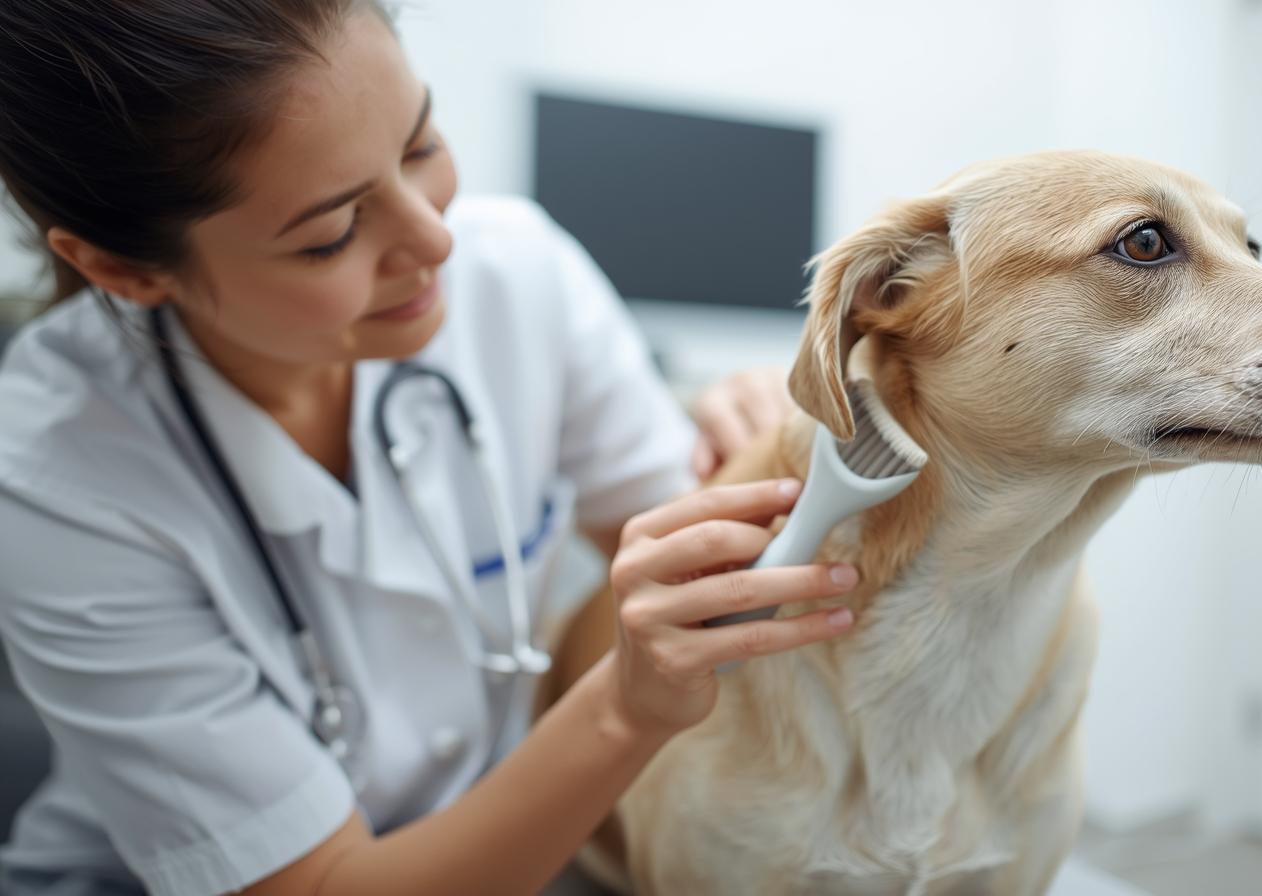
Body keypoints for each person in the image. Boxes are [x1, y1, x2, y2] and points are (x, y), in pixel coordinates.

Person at [0, 2, 861, 893]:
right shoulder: (53, 471)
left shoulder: (519, 274)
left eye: (419, 147)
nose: (435, 239)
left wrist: (758, 448)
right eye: (331, 234)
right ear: (126, 270)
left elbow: (686, 564)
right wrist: (622, 708)